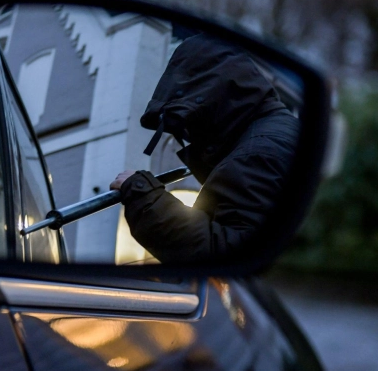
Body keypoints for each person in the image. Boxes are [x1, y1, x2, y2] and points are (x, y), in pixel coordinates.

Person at [109, 34, 299, 264]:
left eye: (190, 121)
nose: (189, 134)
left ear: (208, 101)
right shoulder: (274, 129)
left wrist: (141, 193)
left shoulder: (255, 155)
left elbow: (224, 254)